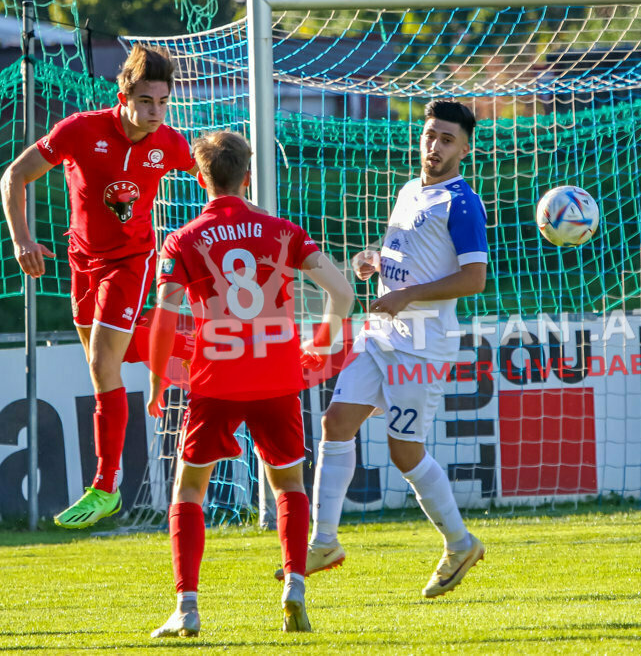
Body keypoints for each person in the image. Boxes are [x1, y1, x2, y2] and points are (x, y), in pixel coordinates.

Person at [146, 130, 353, 637]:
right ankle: (294, 587)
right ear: (249, 176)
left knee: (189, 490)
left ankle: (187, 608)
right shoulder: (282, 229)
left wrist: (158, 383)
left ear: (200, 177)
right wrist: (321, 346)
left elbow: (164, 320)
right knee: (288, 485)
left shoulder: (183, 239)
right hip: (277, 379)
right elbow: (343, 293)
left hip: (215, 381)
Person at [278, 99, 488, 598]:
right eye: (430, 135)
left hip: (422, 348)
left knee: (404, 453)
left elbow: (474, 278)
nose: (435, 146)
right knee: (336, 423)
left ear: (465, 149)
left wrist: (408, 294)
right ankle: (325, 541)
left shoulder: (461, 202)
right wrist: (377, 259)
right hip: (381, 337)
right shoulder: (409, 190)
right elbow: (413, 257)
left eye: (447, 140)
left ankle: (460, 543)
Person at [0, 44, 197, 529]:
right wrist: (22, 239)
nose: (156, 113)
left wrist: (238, 218)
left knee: (100, 361)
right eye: (147, 101)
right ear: (124, 94)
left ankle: (106, 486)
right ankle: (183, 344)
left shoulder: (168, 142)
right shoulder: (81, 130)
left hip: (131, 262)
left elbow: (213, 177)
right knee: (103, 364)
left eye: (163, 103)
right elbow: (14, 176)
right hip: (81, 261)